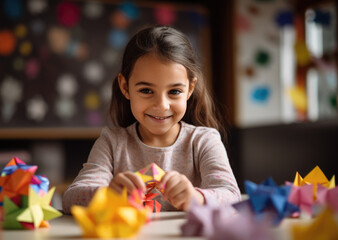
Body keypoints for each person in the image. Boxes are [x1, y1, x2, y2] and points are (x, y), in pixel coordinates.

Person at [62, 25, 240, 213]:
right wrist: (108, 194)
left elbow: (231, 196)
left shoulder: (204, 140)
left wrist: (196, 198)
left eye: (174, 91)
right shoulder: (112, 142)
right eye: (146, 90)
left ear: (189, 88)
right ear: (125, 87)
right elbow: (71, 198)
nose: (162, 105)